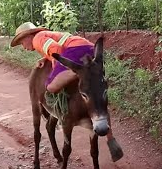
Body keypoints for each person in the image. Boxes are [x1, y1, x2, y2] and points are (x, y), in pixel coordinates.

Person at [10, 22, 123, 162]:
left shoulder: (37, 38)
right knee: (97, 94)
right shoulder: (45, 36)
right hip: (89, 49)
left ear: (28, 36)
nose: (24, 47)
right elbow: (57, 48)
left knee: (50, 87)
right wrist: (45, 57)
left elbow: (56, 49)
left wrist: (55, 69)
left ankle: (82, 72)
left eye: (22, 43)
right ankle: (110, 138)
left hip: (75, 51)